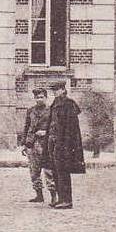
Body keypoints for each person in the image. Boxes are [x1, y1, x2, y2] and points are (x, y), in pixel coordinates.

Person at [43, 78, 86, 209]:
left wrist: (67, 145)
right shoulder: (55, 104)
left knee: (63, 172)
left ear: (63, 90)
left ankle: (67, 200)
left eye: (57, 90)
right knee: (55, 171)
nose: (55, 92)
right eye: (54, 90)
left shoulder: (69, 104)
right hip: (53, 143)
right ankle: (61, 198)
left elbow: (71, 129)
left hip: (64, 144)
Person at [18, 84, 51, 204]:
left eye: (41, 97)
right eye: (37, 97)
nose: (39, 99)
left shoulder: (50, 111)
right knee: (34, 171)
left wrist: (46, 132)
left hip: (45, 144)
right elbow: (26, 127)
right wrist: (24, 144)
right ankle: (39, 195)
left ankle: (53, 196)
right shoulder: (30, 111)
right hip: (31, 144)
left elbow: (56, 127)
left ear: (46, 98)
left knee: (49, 171)